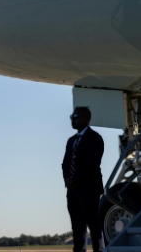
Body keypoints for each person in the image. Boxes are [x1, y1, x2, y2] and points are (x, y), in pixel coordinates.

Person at [62, 107, 105, 252]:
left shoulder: (95, 138)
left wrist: (75, 179)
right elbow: (65, 163)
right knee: (77, 225)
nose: (73, 120)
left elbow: (92, 164)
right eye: (71, 117)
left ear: (86, 119)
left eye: (76, 116)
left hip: (89, 188)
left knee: (93, 224)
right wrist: (67, 179)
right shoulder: (71, 141)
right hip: (73, 189)